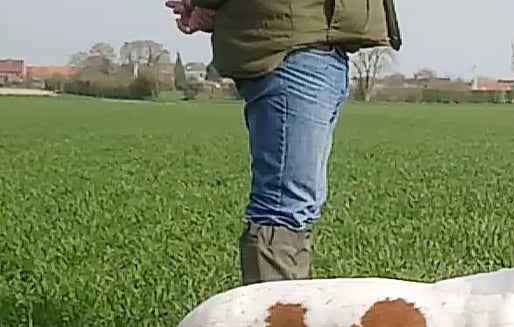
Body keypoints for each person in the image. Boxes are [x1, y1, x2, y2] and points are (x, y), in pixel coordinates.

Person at [165, 0, 401, 284]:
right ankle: (270, 325)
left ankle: (284, 318)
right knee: (283, 209)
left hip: (313, 42)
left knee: (294, 207)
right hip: (294, 45)